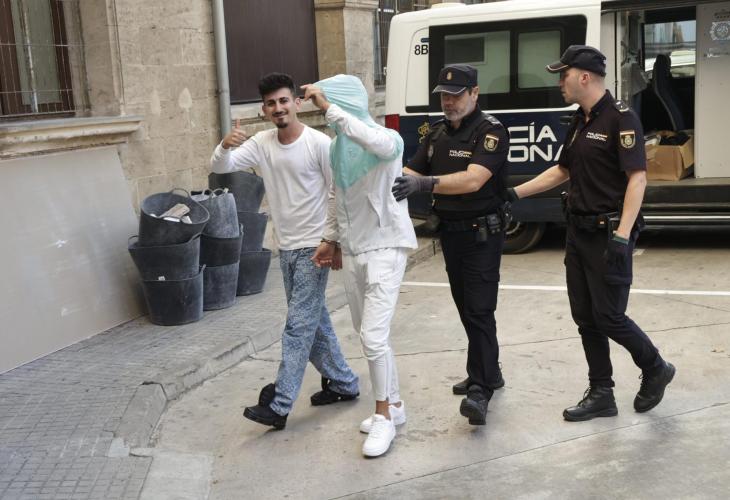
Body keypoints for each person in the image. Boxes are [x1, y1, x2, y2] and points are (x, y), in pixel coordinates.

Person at [508, 45, 675, 421]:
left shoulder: (621, 118)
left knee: (610, 316)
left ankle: (655, 367)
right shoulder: (579, 120)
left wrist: (622, 236)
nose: (559, 82)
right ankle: (602, 392)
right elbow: (562, 170)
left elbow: (637, 179)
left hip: (608, 234)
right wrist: (515, 194)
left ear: (584, 77)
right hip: (578, 232)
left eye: (563, 75)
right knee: (585, 317)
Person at [210, 72, 359, 430]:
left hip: (314, 248)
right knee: (314, 322)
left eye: (283, 101)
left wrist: (334, 241)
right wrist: (225, 146)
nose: (278, 108)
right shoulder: (262, 143)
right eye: (271, 103)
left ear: (297, 103)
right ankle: (344, 382)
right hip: (286, 247)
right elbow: (220, 167)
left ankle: (280, 404)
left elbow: (339, 192)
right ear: (264, 110)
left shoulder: (319, 143)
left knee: (297, 326)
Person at [303, 75, 417, 457]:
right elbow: (336, 195)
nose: (326, 115)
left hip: (386, 246)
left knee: (372, 336)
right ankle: (395, 405)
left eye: (329, 104)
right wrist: (330, 239)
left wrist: (328, 108)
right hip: (354, 250)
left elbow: (372, 141)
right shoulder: (338, 148)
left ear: (344, 103)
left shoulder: (386, 138)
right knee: (368, 333)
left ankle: (383, 415)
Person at [391, 64, 510, 427]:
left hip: (481, 235)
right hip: (452, 235)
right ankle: (489, 371)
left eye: (456, 95)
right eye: (443, 95)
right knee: (466, 308)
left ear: (474, 93)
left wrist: (426, 185)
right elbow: (411, 171)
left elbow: (474, 180)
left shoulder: (490, 132)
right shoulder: (437, 133)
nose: (448, 102)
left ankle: (480, 390)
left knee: (479, 310)